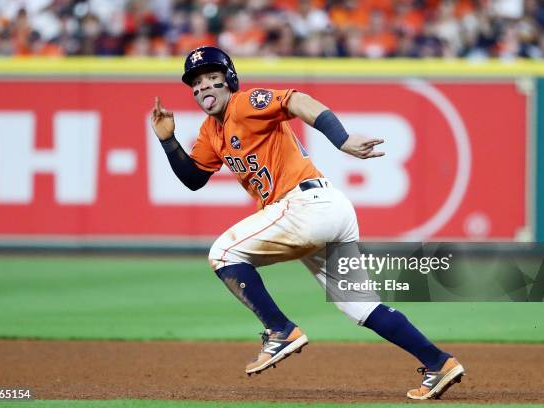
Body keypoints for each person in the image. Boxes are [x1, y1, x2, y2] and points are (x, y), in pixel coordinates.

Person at [151, 46, 464, 400]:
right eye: (196, 82)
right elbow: (194, 178)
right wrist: (167, 140)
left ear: (230, 79)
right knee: (360, 306)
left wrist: (342, 139)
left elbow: (297, 101)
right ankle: (439, 362)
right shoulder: (211, 131)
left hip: (306, 205)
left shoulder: (244, 103)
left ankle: (279, 329)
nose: (204, 86)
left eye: (211, 77)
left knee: (223, 252)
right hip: (325, 210)